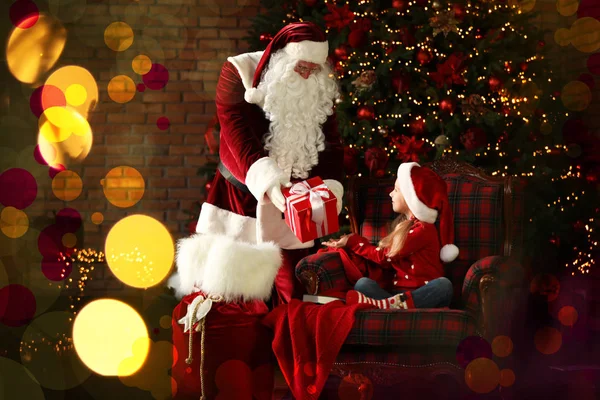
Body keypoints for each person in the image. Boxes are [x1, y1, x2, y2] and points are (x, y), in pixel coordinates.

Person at [168, 22, 344, 306]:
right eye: (302, 67)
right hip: (240, 200)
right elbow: (235, 133)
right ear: (283, 58)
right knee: (233, 295)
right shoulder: (238, 71)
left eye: (315, 68)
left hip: (295, 206)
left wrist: (332, 186)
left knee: (294, 297)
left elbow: (331, 143)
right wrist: (270, 184)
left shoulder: (318, 87)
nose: (310, 74)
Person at [322, 162, 459, 309]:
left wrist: (353, 241)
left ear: (410, 197)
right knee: (363, 284)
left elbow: (384, 256)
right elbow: (388, 262)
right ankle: (393, 306)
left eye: (396, 190)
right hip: (395, 295)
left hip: (422, 295)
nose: (390, 193)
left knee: (444, 285)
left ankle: (393, 307)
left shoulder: (423, 229)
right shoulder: (402, 225)